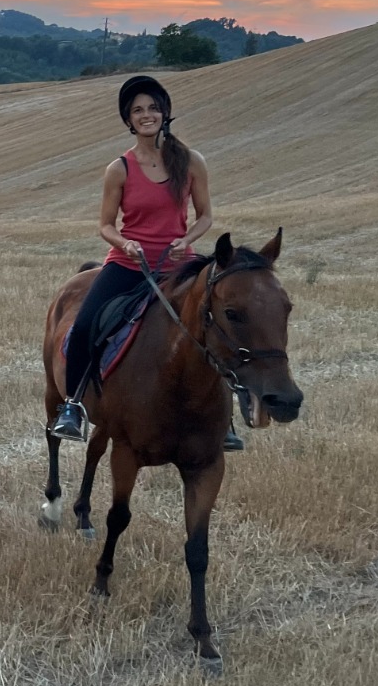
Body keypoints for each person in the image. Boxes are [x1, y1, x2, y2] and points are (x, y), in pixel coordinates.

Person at [50, 76, 240, 449]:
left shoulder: (191, 162)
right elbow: (105, 225)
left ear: (165, 112)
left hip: (178, 265)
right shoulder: (119, 168)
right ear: (128, 120)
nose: (146, 115)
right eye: (138, 110)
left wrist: (187, 240)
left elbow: (205, 216)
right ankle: (73, 407)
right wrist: (126, 243)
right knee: (86, 324)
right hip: (127, 264)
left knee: (217, 328)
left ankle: (226, 421)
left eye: (153, 107)